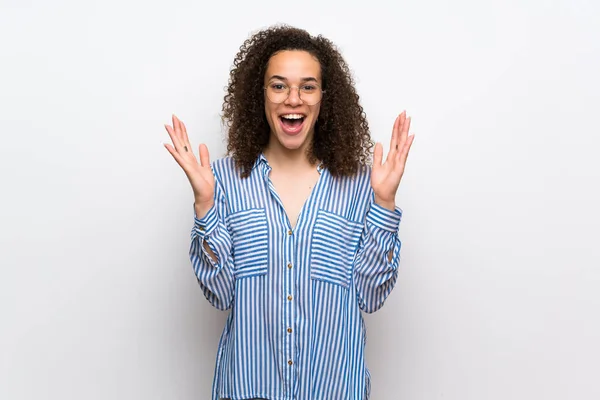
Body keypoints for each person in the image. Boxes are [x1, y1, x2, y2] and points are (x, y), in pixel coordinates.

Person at [164, 24, 414, 400]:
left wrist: (384, 204)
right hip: (249, 388)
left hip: (334, 389)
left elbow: (371, 295)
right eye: (278, 85)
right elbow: (219, 294)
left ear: (324, 98)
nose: (293, 98)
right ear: (260, 96)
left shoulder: (365, 185)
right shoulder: (223, 183)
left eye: (308, 86)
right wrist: (204, 206)